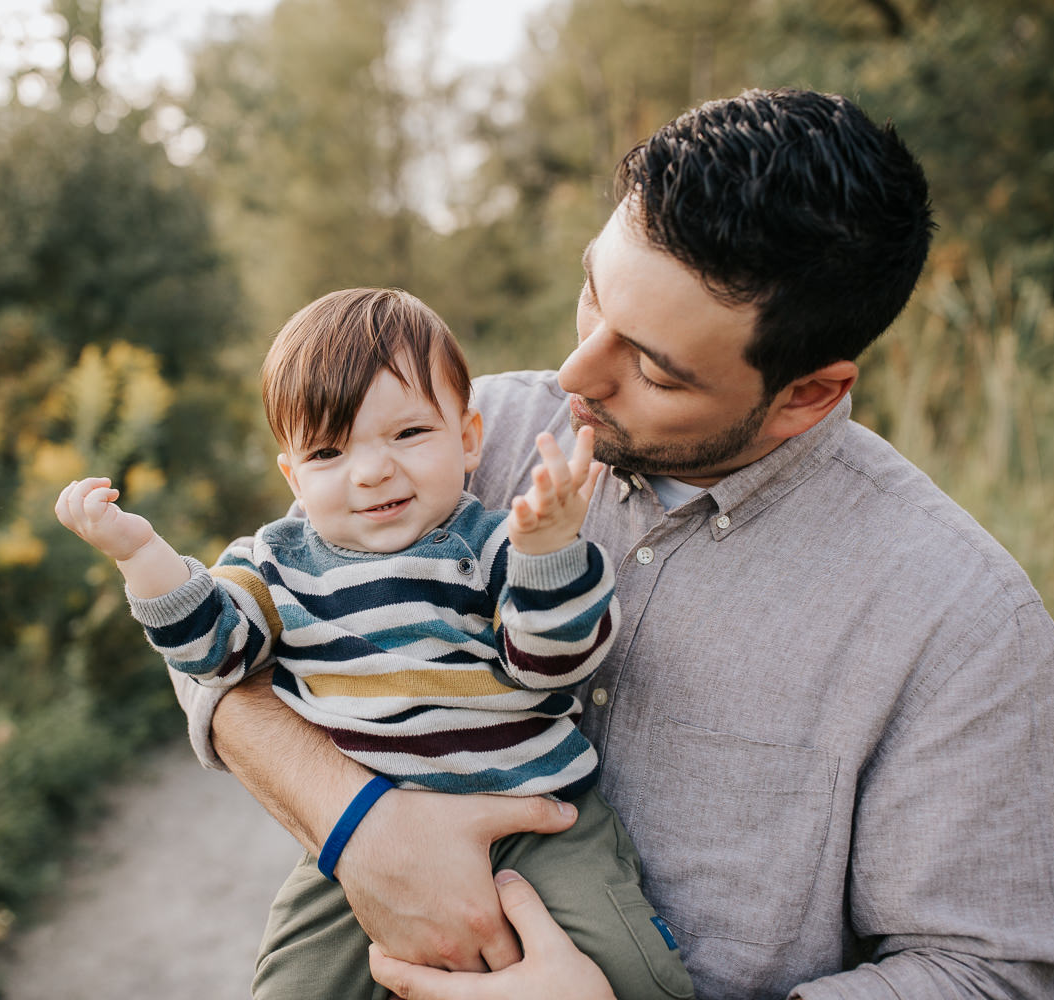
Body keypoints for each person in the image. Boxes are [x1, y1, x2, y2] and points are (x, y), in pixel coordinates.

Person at [176, 88, 1054, 999]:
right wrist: (359, 828)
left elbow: (1002, 977)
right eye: (592, 292)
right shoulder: (459, 433)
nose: (575, 373)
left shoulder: (964, 621)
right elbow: (230, 628)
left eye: (653, 365)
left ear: (808, 393)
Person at [55, 288, 696, 999]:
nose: (371, 471)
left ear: (469, 438)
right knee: (292, 987)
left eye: (408, 435)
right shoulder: (275, 564)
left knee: (639, 974)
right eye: (329, 451)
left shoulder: (490, 545)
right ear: (293, 477)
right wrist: (141, 556)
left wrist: (547, 549)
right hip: (363, 847)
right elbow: (215, 652)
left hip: (540, 817)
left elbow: (550, 664)